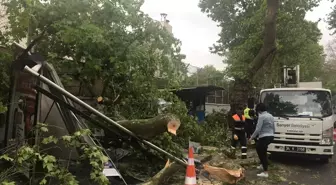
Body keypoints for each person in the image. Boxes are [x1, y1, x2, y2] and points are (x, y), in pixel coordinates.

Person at [249, 103, 275, 178]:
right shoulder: (270, 115)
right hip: (271, 136)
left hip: (264, 136)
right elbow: (273, 127)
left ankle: (265, 172)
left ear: (259, 110)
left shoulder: (262, 116)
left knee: (261, 152)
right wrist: (273, 134)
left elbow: (258, 129)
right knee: (262, 149)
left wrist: (251, 138)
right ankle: (262, 164)